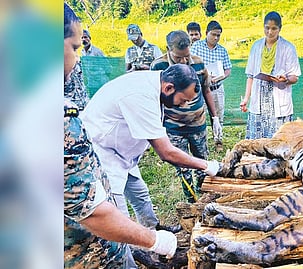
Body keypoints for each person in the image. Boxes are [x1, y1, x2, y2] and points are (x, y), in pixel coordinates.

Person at [64, 4, 177, 268]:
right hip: (82, 255)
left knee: (139, 194)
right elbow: (94, 213)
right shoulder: (57, 122)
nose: (78, 58)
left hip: (120, 155)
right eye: (74, 48)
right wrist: (154, 240)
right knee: (117, 212)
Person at [80, 63, 220, 230]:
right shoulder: (140, 95)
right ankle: (129, 251)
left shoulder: (156, 84)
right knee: (118, 212)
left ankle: (152, 230)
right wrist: (206, 165)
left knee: (140, 195)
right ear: (169, 88)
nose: (183, 105)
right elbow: (166, 153)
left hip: (121, 151)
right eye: (183, 100)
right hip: (102, 151)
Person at [150, 30, 220, 202]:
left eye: (186, 56)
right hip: (174, 127)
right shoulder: (158, 67)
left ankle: (204, 195)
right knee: (183, 165)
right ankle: (191, 200)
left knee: (202, 161)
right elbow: (155, 99)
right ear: (168, 49)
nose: (183, 61)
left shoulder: (197, 63)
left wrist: (215, 117)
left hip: (197, 123)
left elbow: (206, 89)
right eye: (178, 57)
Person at [239, 11, 301, 139]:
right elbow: (250, 76)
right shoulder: (256, 47)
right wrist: (246, 99)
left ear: (280, 28)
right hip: (259, 101)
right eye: (267, 28)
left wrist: (286, 80)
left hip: (278, 101)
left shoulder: (288, 48)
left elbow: (295, 76)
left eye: (274, 28)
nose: (270, 32)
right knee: (256, 143)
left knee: (279, 142)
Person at [191, 20, 232, 152]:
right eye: (213, 34)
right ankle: (200, 142)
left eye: (218, 35)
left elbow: (228, 70)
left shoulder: (222, 50)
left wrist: (221, 77)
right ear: (206, 33)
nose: (216, 38)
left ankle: (218, 140)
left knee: (218, 115)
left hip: (216, 87)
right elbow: (189, 64)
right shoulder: (197, 46)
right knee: (198, 115)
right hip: (200, 88)